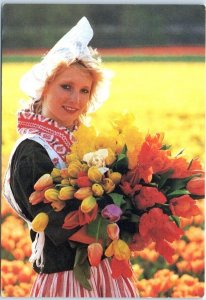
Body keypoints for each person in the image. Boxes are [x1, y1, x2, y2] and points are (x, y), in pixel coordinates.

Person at [3, 17, 139, 297]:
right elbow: (62, 225)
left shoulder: (85, 144)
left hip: (108, 272)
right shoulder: (31, 151)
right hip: (67, 279)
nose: (75, 99)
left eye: (84, 91)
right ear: (44, 86)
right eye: (66, 86)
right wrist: (129, 231)